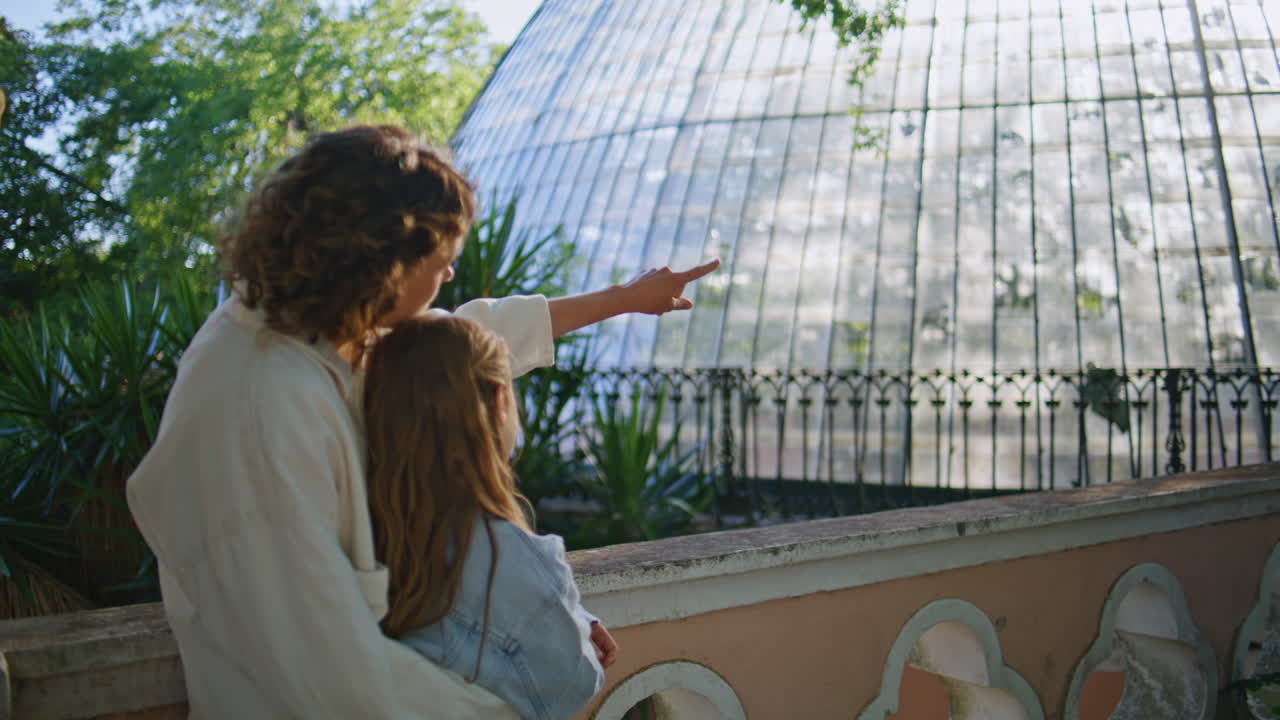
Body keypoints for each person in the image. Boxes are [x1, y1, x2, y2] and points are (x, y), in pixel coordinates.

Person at [125, 124, 716, 719]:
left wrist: (622, 299)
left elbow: (462, 341)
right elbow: (328, 673)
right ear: (384, 259)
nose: (449, 278)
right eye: (444, 261)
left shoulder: (315, 330)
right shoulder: (256, 408)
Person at [364, 314, 613, 720]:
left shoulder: (362, 525)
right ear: (498, 401)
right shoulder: (507, 553)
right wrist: (575, 624)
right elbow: (572, 681)